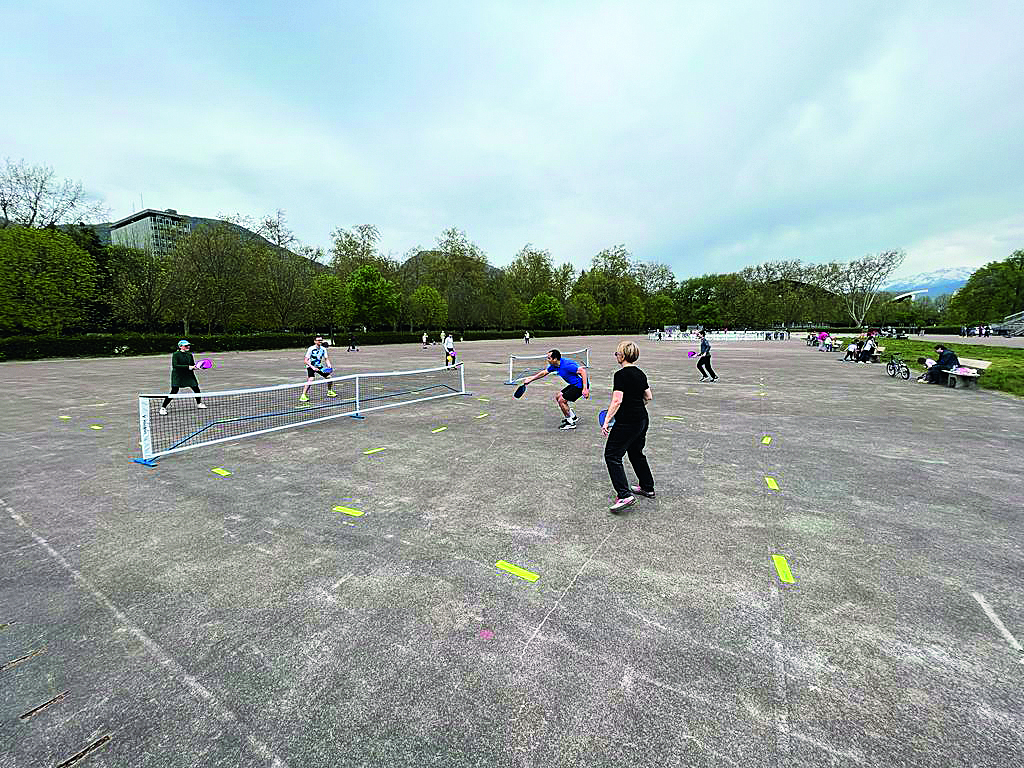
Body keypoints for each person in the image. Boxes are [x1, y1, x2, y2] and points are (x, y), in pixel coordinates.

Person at [602, 341, 655, 513]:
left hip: (627, 422)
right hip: (642, 419)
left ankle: (624, 495)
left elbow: (617, 400)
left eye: (617, 353)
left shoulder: (621, 375)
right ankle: (647, 486)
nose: (616, 356)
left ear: (622, 356)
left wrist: (607, 420)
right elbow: (649, 396)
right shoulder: (640, 373)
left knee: (612, 455)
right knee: (635, 452)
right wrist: (637, 405)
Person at [518, 349, 590, 430]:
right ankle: (573, 417)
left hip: (580, 386)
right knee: (558, 396)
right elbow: (544, 372)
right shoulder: (555, 365)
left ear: (555, 359)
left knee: (561, 400)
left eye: (549, 358)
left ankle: (570, 422)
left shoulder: (567, 365)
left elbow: (583, 371)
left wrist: (585, 389)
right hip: (574, 384)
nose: (547, 360)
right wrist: (531, 379)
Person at [159, 340, 206, 415]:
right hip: (178, 375)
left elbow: (192, 365)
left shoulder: (189, 355)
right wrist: (189, 367)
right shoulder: (176, 354)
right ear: (180, 346)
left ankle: (199, 403)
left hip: (189, 375)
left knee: (196, 388)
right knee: (174, 391)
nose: (188, 347)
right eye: (186, 346)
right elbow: (175, 365)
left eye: (188, 345)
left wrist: (197, 367)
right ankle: (163, 408)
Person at [300, 335, 337, 402]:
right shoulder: (311, 349)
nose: (320, 341)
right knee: (311, 379)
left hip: (319, 366)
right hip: (310, 366)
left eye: (321, 340)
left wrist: (329, 365)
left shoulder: (323, 349)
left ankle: (329, 391)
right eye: (318, 340)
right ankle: (303, 395)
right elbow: (306, 360)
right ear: (315, 341)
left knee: (329, 377)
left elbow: (326, 359)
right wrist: (313, 367)